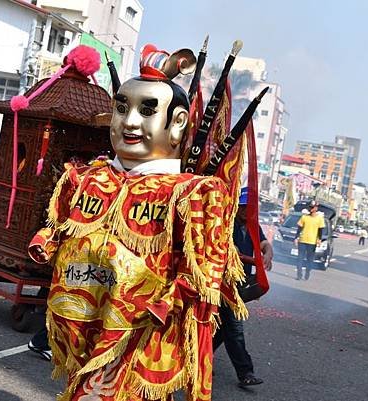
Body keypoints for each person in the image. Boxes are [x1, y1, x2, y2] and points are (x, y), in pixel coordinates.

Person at [27, 44, 253, 400]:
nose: (130, 122)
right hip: (82, 316)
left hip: (138, 328)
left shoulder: (192, 192)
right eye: (121, 108)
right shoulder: (86, 177)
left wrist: (171, 299)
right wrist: (47, 240)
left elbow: (205, 268)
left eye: (147, 111)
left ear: (177, 124)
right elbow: (60, 225)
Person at [214, 187, 273, 388]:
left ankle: (197, 359)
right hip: (223, 283)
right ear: (237, 206)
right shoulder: (225, 223)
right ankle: (245, 372)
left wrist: (267, 254)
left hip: (241, 282)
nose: (247, 212)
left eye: (251, 208)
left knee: (223, 329)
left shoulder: (252, 225)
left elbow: (264, 244)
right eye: (245, 208)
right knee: (234, 328)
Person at [294, 200, 325, 280]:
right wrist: (296, 238)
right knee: (300, 258)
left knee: (309, 260)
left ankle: (308, 272)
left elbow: (320, 230)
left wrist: (319, 239)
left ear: (316, 208)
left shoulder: (319, 218)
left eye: (312, 207)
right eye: (310, 207)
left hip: (312, 242)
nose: (310, 209)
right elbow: (299, 228)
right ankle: (299, 274)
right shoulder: (304, 217)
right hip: (303, 240)